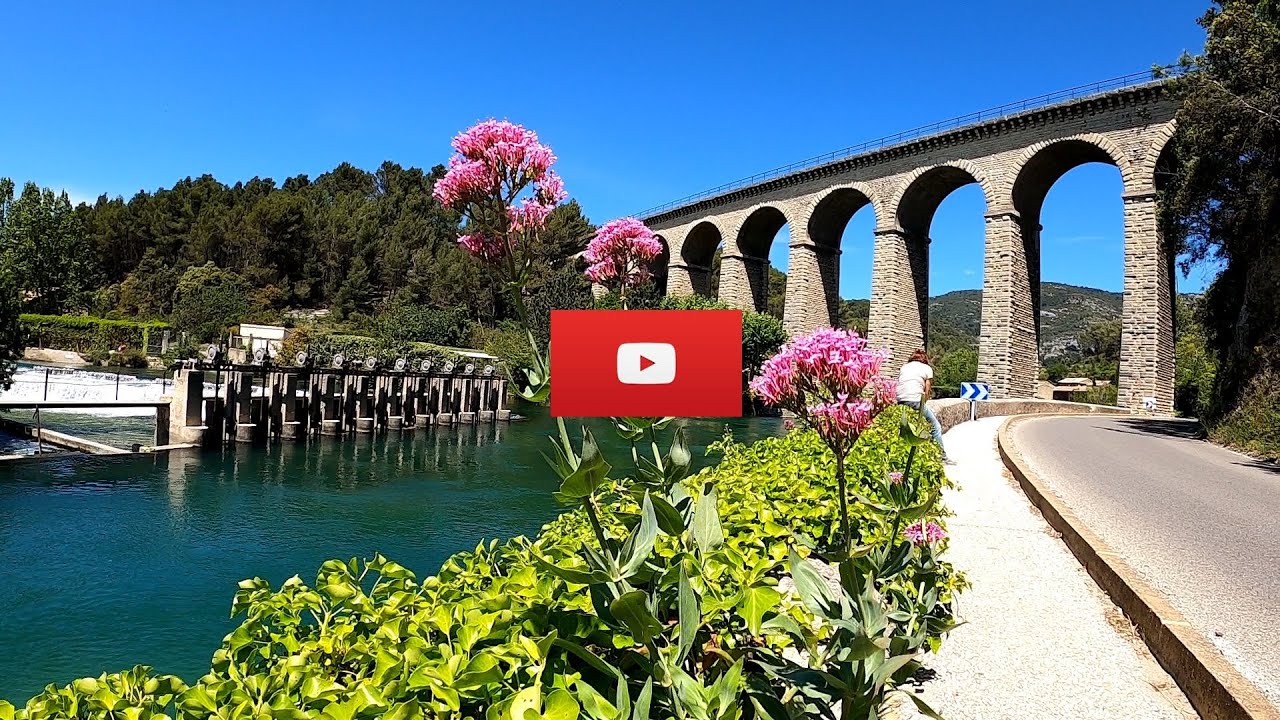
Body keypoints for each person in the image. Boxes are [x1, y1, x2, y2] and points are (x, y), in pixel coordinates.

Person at [896, 349, 953, 464]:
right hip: (916, 400)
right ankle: (942, 456)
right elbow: (927, 390)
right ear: (924, 359)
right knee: (935, 427)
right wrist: (925, 401)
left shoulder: (904, 367)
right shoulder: (927, 368)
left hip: (900, 399)